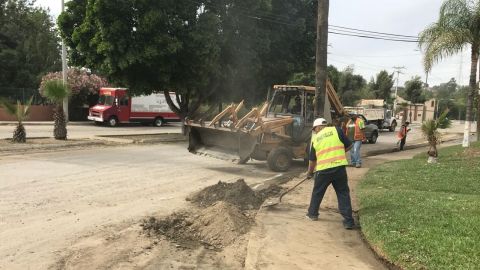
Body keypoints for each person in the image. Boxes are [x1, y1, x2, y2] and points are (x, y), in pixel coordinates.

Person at [305, 118, 357, 230]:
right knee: (343, 193)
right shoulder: (337, 130)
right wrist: (337, 153)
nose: (315, 131)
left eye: (315, 129)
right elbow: (349, 146)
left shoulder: (315, 139)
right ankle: (348, 221)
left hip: (323, 171)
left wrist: (309, 173)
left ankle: (312, 214)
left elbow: (312, 160)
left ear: (318, 127)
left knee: (317, 193)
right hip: (339, 168)